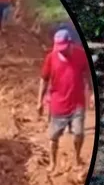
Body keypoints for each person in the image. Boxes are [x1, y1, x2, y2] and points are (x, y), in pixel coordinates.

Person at [37, 29, 92, 173]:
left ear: (70, 44)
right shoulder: (51, 58)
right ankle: (52, 163)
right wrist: (39, 101)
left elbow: (88, 75)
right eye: (59, 48)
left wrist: (91, 93)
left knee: (78, 133)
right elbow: (44, 80)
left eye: (64, 48)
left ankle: (77, 158)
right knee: (53, 137)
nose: (61, 51)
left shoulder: (81, 55)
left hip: (77, 103)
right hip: (58, 104)